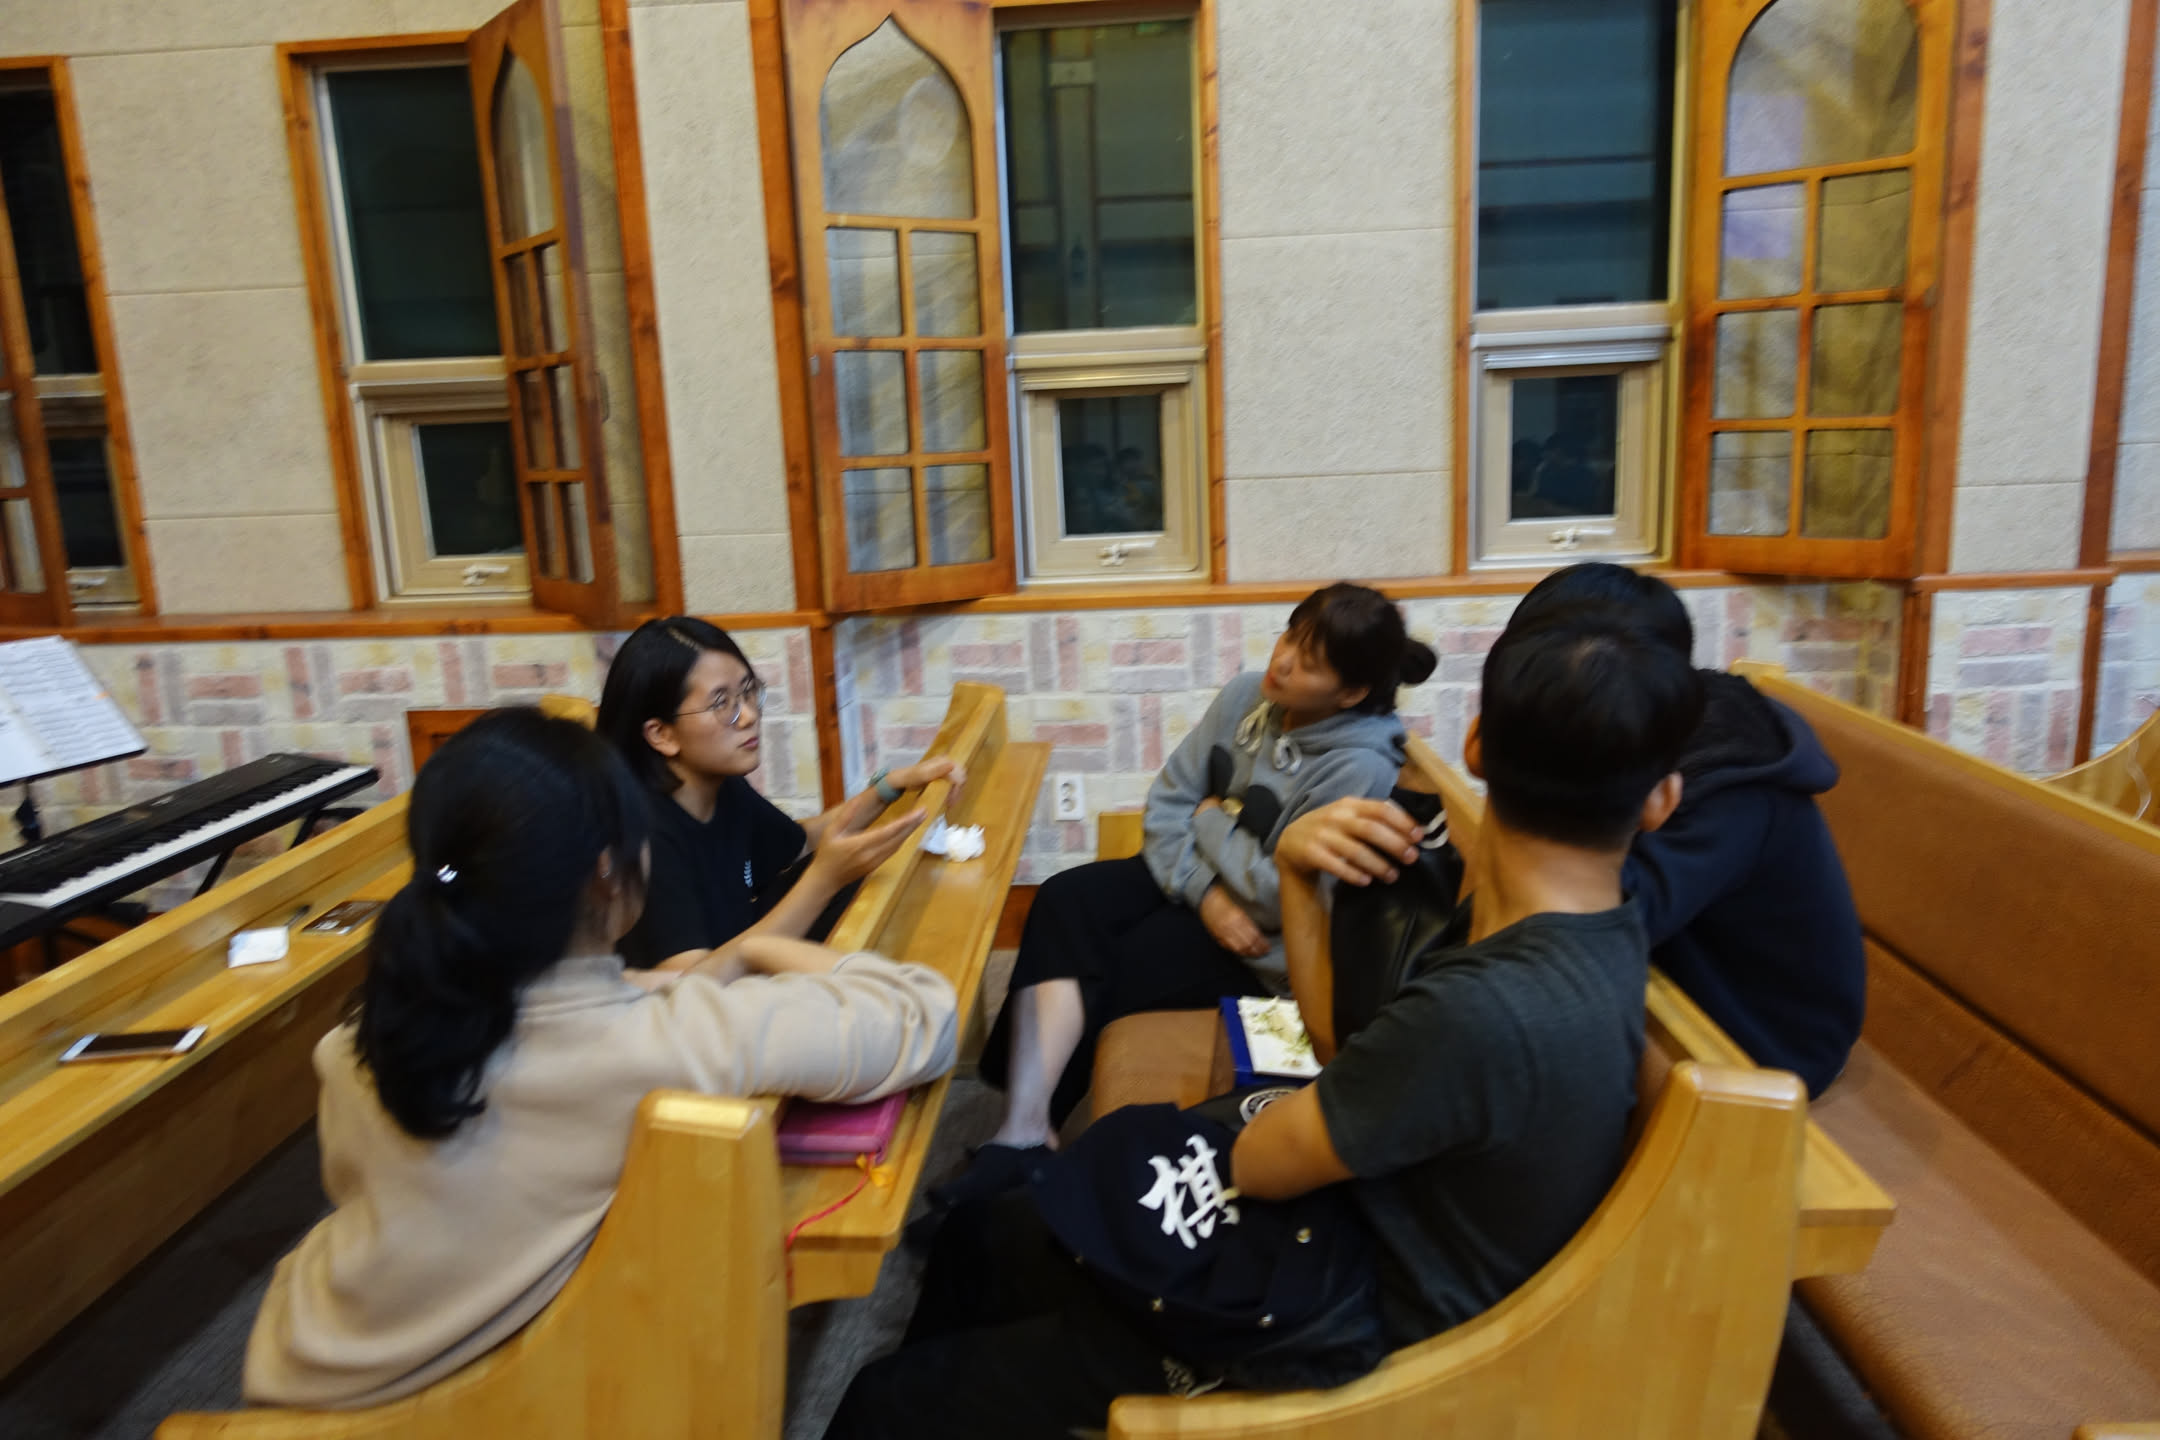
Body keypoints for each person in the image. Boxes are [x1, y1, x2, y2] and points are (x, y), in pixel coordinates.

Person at [820, 599, 1702, 1438]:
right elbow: (1347, 1054)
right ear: (1662, 798)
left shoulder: (1492, 1001)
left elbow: (1263, 1159)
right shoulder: (1591, 935)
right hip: (1333, 1237)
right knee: (983, 1237)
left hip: (1333, 1326)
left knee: (887, 1404)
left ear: (1475, 744)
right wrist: (1295, 878)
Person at [243, 709, 957, 1408]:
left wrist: (680, 972)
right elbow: (925, 1015)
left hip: (301, 1358)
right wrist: (765, 947)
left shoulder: (361, 1037)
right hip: (451, 1402)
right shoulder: (664, 1045)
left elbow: (578, 1009)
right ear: (609, 871)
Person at [969, 583, 1437, 1166]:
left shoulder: (1359, 764)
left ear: (1351, 692)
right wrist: (1207, 892)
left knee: (1120, 961)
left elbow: (1278, 895)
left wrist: (1210, 820)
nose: (1282, 661)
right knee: (1064, 898)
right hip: (1206, 890)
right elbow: (1169, 800)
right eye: (1290, 636)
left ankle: (1028, 1140)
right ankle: (1023, 1123)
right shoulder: (1247, 695)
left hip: (1263, 948)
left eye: (1309, 662)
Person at [1507, 563, 1865, 1095]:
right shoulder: (1643, 727)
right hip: (1681, 990)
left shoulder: (1725, 785)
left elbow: (1604, 919)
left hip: (1768, 1045)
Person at [597, 617, 962, 973]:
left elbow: (801, 842)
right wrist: (824, 879)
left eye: (748, 691)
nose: (748, 715)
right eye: (721, 703)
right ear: (661, 735)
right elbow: (688, 988)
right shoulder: (645, 834)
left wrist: (889, 787)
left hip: (737, 979)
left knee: (873, 887)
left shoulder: (722, 787)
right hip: (700, 1004)